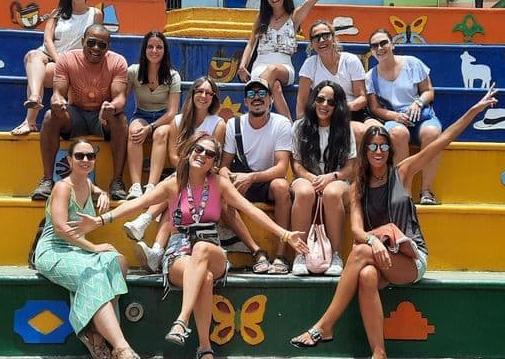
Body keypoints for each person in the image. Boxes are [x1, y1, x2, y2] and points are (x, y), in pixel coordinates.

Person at [290, 86, 498, 359]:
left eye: (384, 146)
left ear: (390, 151)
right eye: (373, 146)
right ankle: (379, 356)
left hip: (410, 257)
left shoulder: (402, 172)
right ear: (365, 151)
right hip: (379, 257)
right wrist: (375, 241)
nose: (378, 151)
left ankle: (325, 326)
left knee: (362, 252)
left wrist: (475, 111)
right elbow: (357, 230)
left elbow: (444, 139)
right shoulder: (357, 188)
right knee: (365, 274)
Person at [69, 133, 308, 359]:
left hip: (211, 250)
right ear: (189, 152)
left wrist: (285, 234)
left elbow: (249, 210)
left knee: (202, 250)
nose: (202, 155)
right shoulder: (173, 183)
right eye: (198, 150)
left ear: (214, 162)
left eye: (209, 153)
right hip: (178, 251)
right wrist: (100, 220)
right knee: (202, 278)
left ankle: (181, 321)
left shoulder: (219, 183)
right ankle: (205, 350)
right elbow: (138, 203)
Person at [33, 138, 146, 359]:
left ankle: (95, 331)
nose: (85, 160)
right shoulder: (63, 187)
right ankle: (121, 348)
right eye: (79, 156)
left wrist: (102, 191)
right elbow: (62, 228)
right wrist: (93, 248)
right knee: (94, 274)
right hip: (54, 250)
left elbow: (91, 188)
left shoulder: (86, 184)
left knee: (117, 261)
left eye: (90, 156)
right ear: (69, 160)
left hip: (77, 250)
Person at [125, 76, 227, 272]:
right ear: (193, 94)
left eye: (208, 93)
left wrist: (194, 171)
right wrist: (187, 170)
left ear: (213, 98)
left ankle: (145, 220)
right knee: (175, 195)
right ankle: (156, 251)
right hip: (182, 173)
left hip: (205, 177)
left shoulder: (218, 123)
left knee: (175, 187)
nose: (203, 96)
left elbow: (215, 156)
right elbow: (173, 155)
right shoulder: (178, 121)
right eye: (200, 92)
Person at [30, 23, 130, 201]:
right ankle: (46, 180)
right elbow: (57, 93)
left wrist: (111, 108)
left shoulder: (117, 61)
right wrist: (58, 103)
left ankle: (117, 182)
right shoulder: (67, 59)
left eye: (102, 45)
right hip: (75, 114)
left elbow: (120, 98)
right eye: (91, 42)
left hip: (102, 116)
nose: (96, 48)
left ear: (108, 47)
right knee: (49, 117)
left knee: (120, 120)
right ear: (83, 41)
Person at [238, 0, 342, 120]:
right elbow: (251, 43)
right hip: (259, 66)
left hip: (284, 67)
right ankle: (289, 126)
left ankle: (255, 104)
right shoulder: (261, 18)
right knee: (275, 88)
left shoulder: (294, 16)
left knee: (272, 69)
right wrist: (242, 65)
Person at [12, 0, 103, 136]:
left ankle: (30, 121)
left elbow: (97, 39)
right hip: (52, 54)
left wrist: (64, 63)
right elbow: (47, 39)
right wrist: (58, 59)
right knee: (32, 55)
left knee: (41, 74)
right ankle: (34, 100)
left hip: (73, 62)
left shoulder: (95, 14)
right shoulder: (58, 13)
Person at [219, 77, 294, 274]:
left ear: (270, 99)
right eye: (251, 94)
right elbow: (224, 166)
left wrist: (251, 178)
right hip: (241, 181)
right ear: (245, 101)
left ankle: (281, 255)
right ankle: (257, 252)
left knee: (282, 187)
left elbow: (281, 168)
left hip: (266, 180)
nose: (257, 98)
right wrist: (230, 178)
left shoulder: (282, 123)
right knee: (223, 195)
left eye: (262, 93)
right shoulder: (234, 125)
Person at [366, 28, 443, 205]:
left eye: (383, 43)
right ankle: (404, 192)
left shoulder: (412, 63)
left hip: (420, 117)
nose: (379, 48)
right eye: (374, 45)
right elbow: (375, 108)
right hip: (395, 119)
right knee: (397, 134)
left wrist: (418, 103)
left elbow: (429, 91)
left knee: (432, 133)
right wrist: (395, 116)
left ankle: (426, 191)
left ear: (392, 44)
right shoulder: (371, 76)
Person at [290, 81, 356, 276]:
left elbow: (350, 168)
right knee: (303, 192)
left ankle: (336, 255)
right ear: (313, 100)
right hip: (306, 176)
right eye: (320, 99)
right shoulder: (300, 126)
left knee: (332, 192)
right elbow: (296, 164)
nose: (324, 105)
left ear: (338, 106)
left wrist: (331, 177)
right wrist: (312, 178)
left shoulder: (345, 128)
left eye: (331, 102)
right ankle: (299, 255)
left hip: (336, 178)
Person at [295, 19, 379, 145]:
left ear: (333, 38)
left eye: (325, 35)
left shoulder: (350, 60)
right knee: (360, 132)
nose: (322, 40)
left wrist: (341, 108)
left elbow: (362, 98)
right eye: (316, 37)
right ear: (311, 44)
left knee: (380, 132)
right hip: (323, 115)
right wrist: (303, 124)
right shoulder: (310, 64)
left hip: (352, 112)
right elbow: (301, 102)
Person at [125, 31, 181, 200]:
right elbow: (122, 96)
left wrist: (149, 128)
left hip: (163, 117)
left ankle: (151, 186)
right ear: (144, 49)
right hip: (141, 114)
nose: (154, 51)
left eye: (159, 47)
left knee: (161, 134)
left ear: (165, 51)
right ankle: (135, 186)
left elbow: (172, 112)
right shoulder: (134, 71)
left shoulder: (173, 76)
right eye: (150, 47)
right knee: (134, 131)